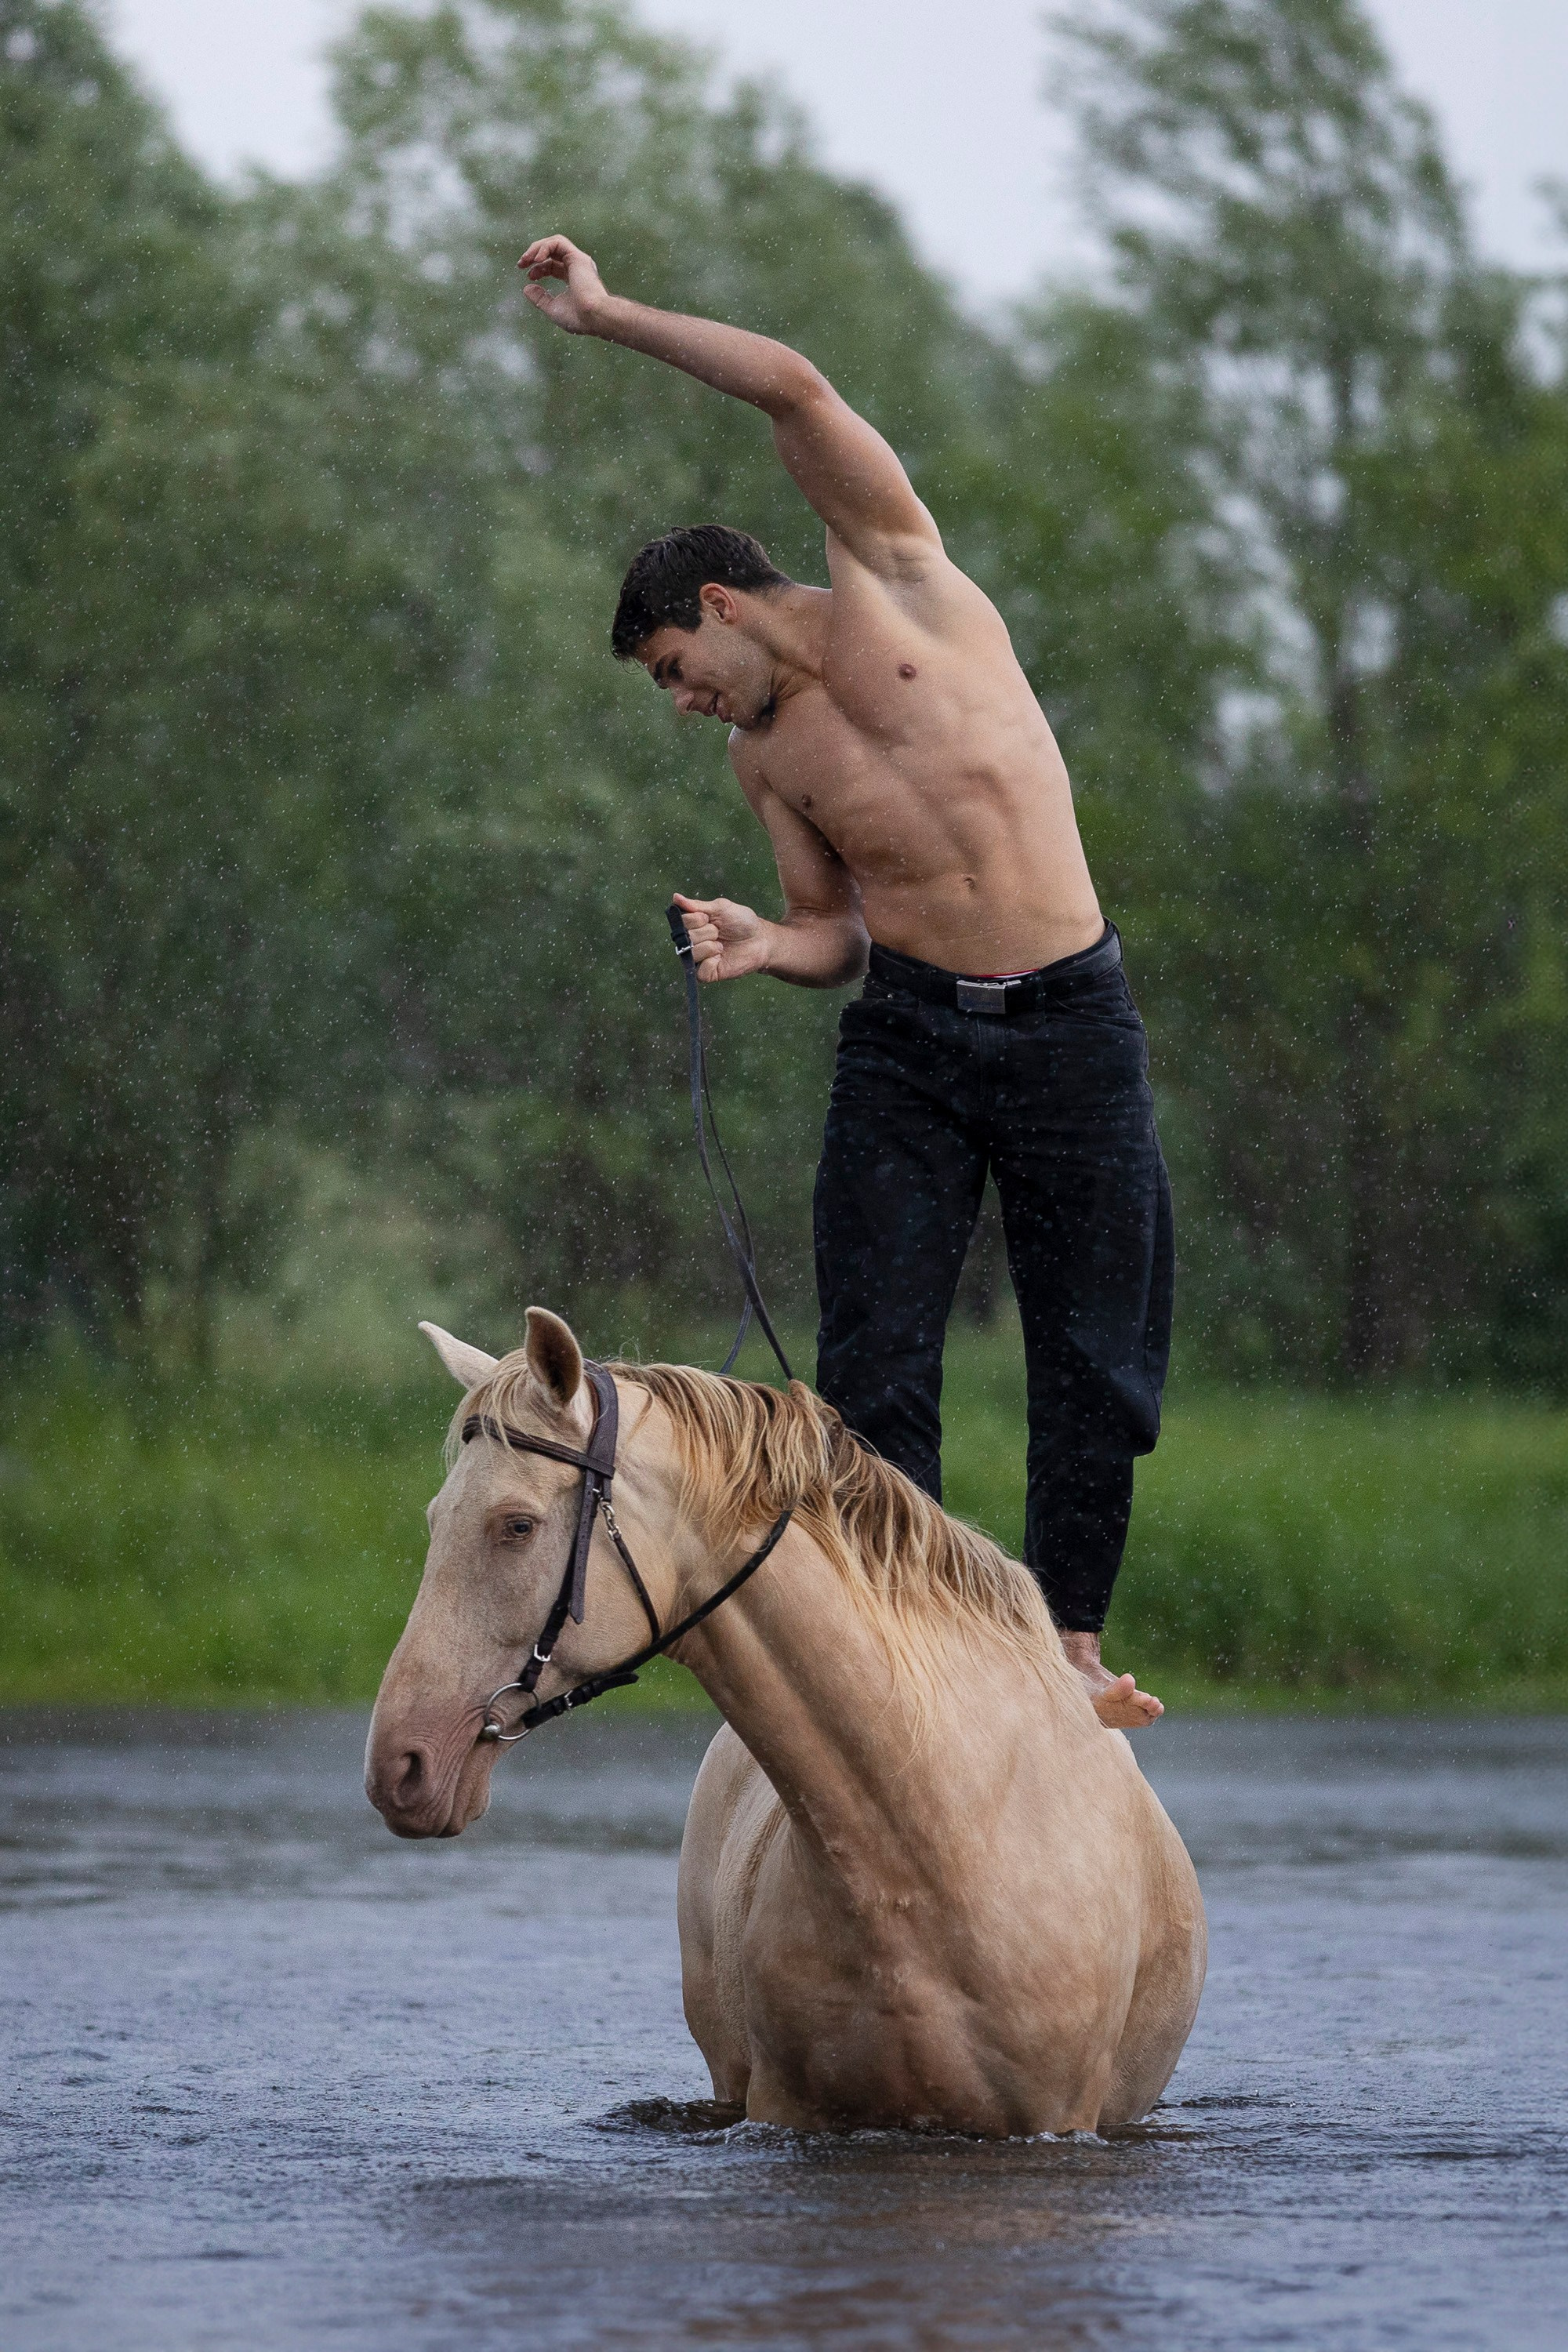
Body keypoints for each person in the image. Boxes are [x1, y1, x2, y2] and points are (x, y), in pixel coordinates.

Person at [518, 233, 1173, 1731]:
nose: (683, 705)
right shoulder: (767, 760)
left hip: (1071, 1023)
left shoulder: (899, 585)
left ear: (725, 603)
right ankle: (917, 1633)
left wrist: (608, 317)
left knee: (1096, 1353)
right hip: (910, 1039)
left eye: (675, 667)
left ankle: (1071, 1648)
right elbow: (840, 931)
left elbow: (794, 389)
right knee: (873, 1358)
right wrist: (767, 943)